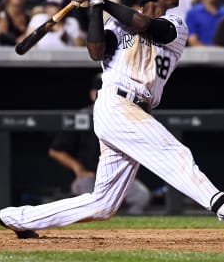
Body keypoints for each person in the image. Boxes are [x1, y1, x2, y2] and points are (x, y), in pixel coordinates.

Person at [0, 0, 224, 240]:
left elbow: (145, 25)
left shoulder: (175, 24)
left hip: (135, 110)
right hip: (116, 104)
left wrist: (101, 0)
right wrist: (94, 7)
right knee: (175, 153)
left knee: (103, 204)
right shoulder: (116, 25)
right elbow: (96, 52)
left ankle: (17, 218)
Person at [49, 73, 151, 216]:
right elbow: (56, 150)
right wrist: (78, 168)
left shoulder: (123, 116)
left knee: (141, 196)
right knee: (90, 198)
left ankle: (124, 230)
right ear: (93, 94)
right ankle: (94, 228)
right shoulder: (81, 116)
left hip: (116, 174)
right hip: (90, 175)